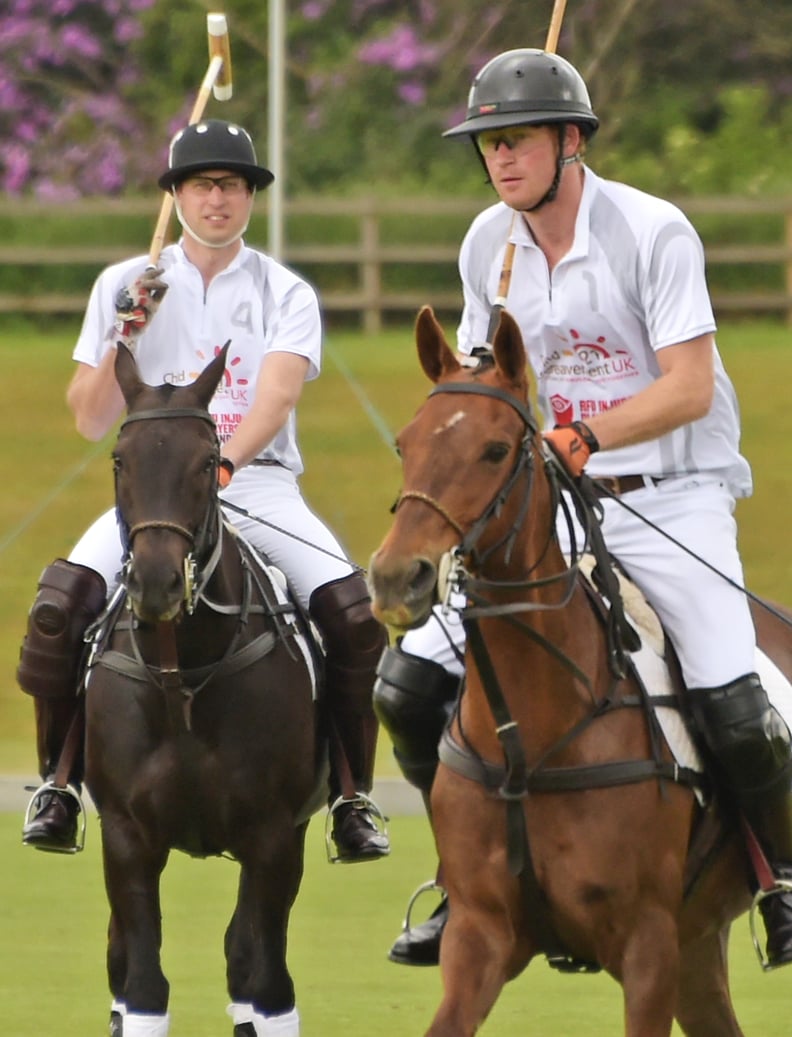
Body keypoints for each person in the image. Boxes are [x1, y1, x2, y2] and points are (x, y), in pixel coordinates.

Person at [374, 47, 792, 968]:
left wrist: (587, 433)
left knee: (737, 702)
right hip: (551, 504)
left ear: (571, 141)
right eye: (487, 145)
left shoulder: (654, 231)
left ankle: (782, 884)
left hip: (674, 497)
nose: (499, 160)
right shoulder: (489, 243)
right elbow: (492, 382)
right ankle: (462, 878)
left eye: (516, 140)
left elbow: (689, 385)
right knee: (405, 685)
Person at [18, 118, 390, 867]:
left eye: (230, 184)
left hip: (258, 484)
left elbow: (276, 399)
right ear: (176, 194)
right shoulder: (125, 285)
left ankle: (350, 794)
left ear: (249, 195)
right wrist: (124, 329)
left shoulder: (285, 291)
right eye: (200, 184)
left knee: (354, 615)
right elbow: (90, 417)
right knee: (56, 612)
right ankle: (57, 781)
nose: (216, 198)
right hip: (155, 496)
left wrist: (220, 468)